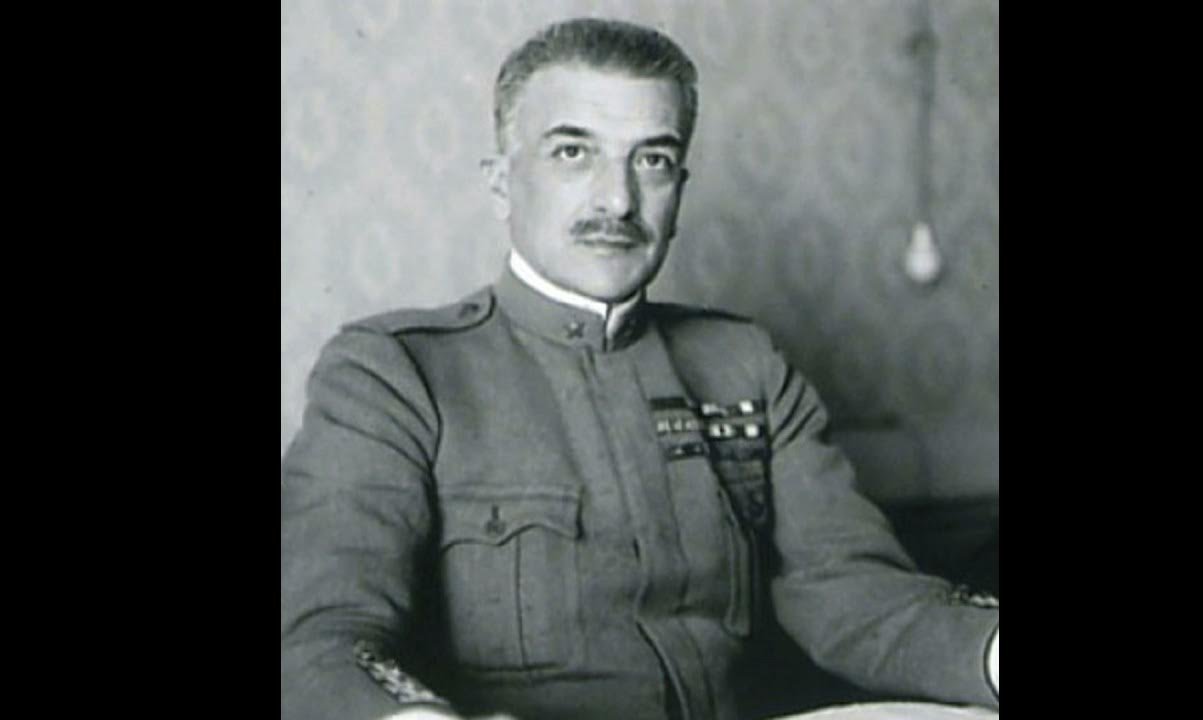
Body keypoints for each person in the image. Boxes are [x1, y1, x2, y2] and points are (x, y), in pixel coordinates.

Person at [281, 17, 999, 720]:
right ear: (501, 183)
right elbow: (324, 641)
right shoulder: (396, 374)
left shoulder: (742, 364)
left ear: (679, 188)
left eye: (652, 160)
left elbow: (855, 590)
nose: (618, 200)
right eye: (574, 153)